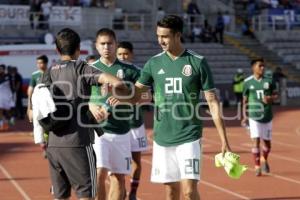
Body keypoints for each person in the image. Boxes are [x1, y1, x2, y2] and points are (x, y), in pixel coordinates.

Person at [115, 15, 231, 200]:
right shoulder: (153, 63)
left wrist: (224, 139)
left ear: (178, 35)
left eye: (165, 36)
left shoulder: (197, 62)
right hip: (162, 137)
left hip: (189, 135)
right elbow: (136, 94)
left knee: (189, 191)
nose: (161, 40)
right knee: (170, 192)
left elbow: (212, 101)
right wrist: (118, 92)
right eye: (158, 36)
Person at [38, 28, 129, 200]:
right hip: (78, 143)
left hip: (54, 145)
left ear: (57, 50)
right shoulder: (81, 68)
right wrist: (118, 90)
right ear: (79, 49)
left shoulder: (48, 72)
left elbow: (33, 110)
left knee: (60, 196)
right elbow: (114, 81)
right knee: (86, 194)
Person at [90, 29, 141, 200]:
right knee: (99, 172)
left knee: (118, 177)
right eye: (102, 44)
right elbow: (77, 97)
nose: (106, 47)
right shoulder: (89, 69)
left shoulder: (131, 70)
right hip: (98, 132)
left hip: (122, 131)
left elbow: (146, 96)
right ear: (96, 46)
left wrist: (124, 98)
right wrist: (90, 106)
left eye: (109, 43)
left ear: (116, 45)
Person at [116, 41, 149, 200]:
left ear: (132, 54)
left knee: (136, 161)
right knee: (118, 164)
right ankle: (120, 191)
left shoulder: (139, 72)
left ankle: (133, 192)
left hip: (135, 124)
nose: (123, 56)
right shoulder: (110, 71)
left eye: (126, 54)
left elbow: (146, 97)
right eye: (120, 54)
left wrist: (127, 97)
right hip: (115, 125)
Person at [241, 58, 278, 176]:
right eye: (260, 66)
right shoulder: (247, 82)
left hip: (267, 115)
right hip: (254, 115)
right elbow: (245, 100)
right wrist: (244, 116)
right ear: (253, 67)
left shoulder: (269, 81)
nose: (262, 68)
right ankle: (257, 166)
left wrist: (270, 99)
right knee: (256, 140)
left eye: (263, 66)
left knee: (267, 144)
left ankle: (264, 159)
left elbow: (276, 95)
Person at [27, 55, 49, 123]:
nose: (39, 65)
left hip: (49, 102)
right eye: (37, 63)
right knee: (38, 122)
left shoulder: (51, 73)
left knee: (49, 121)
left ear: (46, 63)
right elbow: (30, 90)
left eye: (41, 63)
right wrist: (29, 108)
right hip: (38, 102)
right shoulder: (34, 75)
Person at [0, 64, 14, 131]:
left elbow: (12, 86)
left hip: (7, 96)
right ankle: (2, 124)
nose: (0, 70)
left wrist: (12, 94)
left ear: (4, 69)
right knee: (0, 110)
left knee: (8, 111)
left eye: (1, 69)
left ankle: (11, 119)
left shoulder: (8, 76)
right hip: (0, 96)